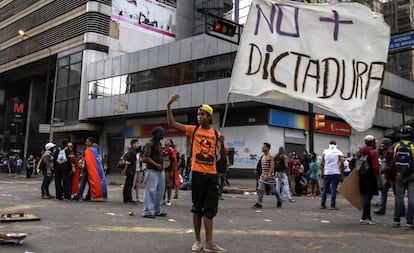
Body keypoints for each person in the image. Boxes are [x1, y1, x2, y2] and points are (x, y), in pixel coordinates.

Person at [167, 94, 227, 253]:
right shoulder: (192, 130)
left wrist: (222, 144)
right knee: (197, 208)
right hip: (198, 174)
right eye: (198, 114)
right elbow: (172, 123)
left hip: (212, 175)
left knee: (210, 209)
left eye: (202, 114)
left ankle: (209, 242)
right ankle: (197, 240)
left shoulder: (216, 134)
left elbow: (221, 156)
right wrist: (169, 105)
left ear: (209, 116)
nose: (199, 117)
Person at [142, 126, 167, 218]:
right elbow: (146, 158)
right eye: (161, 132)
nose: (163, 134)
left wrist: (162, 165)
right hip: (152, 170)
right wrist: (157, 165)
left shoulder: (159, 144)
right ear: (156, 133)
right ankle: (147, 211)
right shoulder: (150, 144)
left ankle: (156, 210)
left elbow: (160, 157)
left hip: (160, 170)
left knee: (160, 191)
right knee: (151, 191)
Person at [392, 125, 414, 230]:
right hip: (412, 175)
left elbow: (394, 159)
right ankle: (409, 222)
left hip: (399, 174)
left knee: (399, 197)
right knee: (411, 198)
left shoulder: (396, 146)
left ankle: (396, 221)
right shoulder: (413, 146)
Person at [357, 135, 380, 225]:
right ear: (372, 142)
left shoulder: (360, 151)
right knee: (368, 197)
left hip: (362, 176)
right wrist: (377, 177)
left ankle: (366, 217)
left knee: (366, 197)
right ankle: (365, 218)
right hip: (370, 176)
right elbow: (375, 166)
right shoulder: (373, 152)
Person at [253, 142, 283, 209]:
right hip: (263, 176)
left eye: (264, 147)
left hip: (269, 177)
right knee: (260, 189)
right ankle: (259, 203)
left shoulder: (270, 157)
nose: (262, 148)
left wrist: (269, 175)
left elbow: (272, 167)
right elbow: (259, 164)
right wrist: (257, 170)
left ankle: (279, 200)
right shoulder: (262, 156)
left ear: (267, 148)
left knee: (273, 190)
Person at [374, 137, 397, 216]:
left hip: (392, 175)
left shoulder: (390, 152)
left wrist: (383, 171)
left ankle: (401, 210)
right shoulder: (385, 151)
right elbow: (378, 153)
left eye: (383, 143)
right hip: (388, 175)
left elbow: (392, 166)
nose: (381, 145)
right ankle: (382, 209)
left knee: (396, 193)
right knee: (384, 191)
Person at [320, 140, 344, 210]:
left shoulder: (325, 152)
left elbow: (321, 163)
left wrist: (322, 172)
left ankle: (322, 204)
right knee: (333, 189)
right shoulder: (339, 152)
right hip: (335, 172)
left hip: (327, 172)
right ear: (336, 145)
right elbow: (342, 163)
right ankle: (333, 206)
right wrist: (342, 174)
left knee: (325, 189)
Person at [122, 139, 139, 204]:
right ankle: (127, 199)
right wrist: (125, 170)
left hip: (131, 170)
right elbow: (128, 162)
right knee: (128, 185)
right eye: (137, 143)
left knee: (129, 184)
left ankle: (128, 198)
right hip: (130, 170)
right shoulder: (132, 152)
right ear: (133, 144)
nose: (138, 145)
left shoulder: (133, 151)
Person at [162, 138, 178, 206]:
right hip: (162, 168)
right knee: (162, 185)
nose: (166, 141)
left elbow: (174, 161)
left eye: (168, 141)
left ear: (171, 143)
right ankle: (162, 199)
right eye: (166, 140)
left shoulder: (172, 150)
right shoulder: (162, 149)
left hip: (168, 169)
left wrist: (172, 171)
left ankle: (168, 199)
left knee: (169, 185)